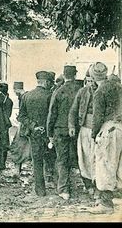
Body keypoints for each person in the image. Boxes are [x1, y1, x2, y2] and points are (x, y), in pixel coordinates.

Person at [88, 62, 122, 214]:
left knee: (105, 165)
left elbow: (97, 117)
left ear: (93, 76)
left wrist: (94, 134)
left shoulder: (99, 92)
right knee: (119, 165)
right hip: (120, 127)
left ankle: (106, 204)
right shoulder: (118, 87)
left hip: (109, 130)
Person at [47, 65, 82, 200]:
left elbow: (52, 114)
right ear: (75, 74)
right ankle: (89, 186)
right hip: (77, 130)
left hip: (60, 130)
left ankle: (63, 189)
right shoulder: (81, 90)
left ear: (64, 74)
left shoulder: (58, 91)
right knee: (79, 157)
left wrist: (50, 133)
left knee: (62, 160)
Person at [18, 71, 53, 196]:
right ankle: (56, 185)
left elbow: (21, 116)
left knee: (37, 161)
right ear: (46, 82)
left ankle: (40, 190)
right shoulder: (51, 95)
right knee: (52, 158)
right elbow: (53, 115)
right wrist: (45, 128)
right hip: (49, 134)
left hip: (34, 134)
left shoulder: (27, 96)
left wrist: (33, 126)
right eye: (50, 82)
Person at [68, 68, 98, 199]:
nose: (91, 84)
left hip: (98, 132)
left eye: (93, 81)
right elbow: (73, 111)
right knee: (84, 158)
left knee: (97, 158)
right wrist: (71, 126)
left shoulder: (101, 92)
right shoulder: (82, 92)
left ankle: (98, 185)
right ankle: (88, 184)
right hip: (84, 130)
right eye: (89, 81)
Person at [0, 82, 13, 170]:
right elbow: (9, 114)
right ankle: (2, 163)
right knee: (4, 144)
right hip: (5, 125)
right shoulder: (9, 101)